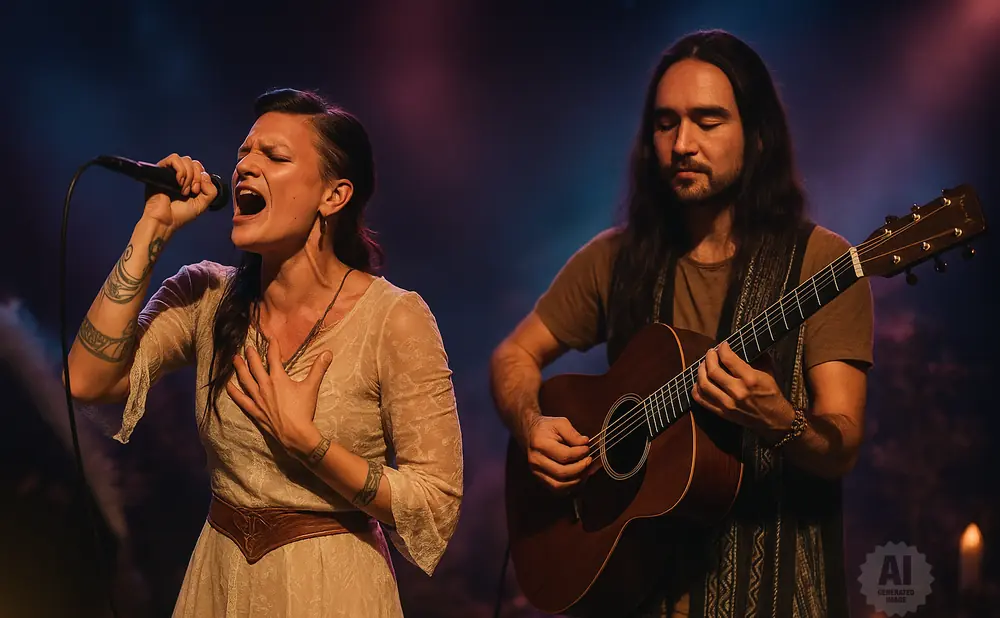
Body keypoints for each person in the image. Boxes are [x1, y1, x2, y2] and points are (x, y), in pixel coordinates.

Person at [490, 30, 873, 618]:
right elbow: (513, 356)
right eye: (666, 124)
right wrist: (532, 424)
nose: (682, 144)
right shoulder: (615, 260)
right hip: (634, 594)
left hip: (771, 597)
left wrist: (779, 419)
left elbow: (840, 448)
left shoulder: (823, 264)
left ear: (758, 134)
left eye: (708, 121)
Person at [67, 88, 464, 617]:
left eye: (274, 157)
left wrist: (310, 444)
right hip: (221, 579)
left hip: (330, 588)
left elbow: (435, 502)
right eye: (244, 153)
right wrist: (153, 227)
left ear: (334, 196)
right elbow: (86, 380)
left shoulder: (394, 318)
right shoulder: (206, 295)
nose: (245, 167)